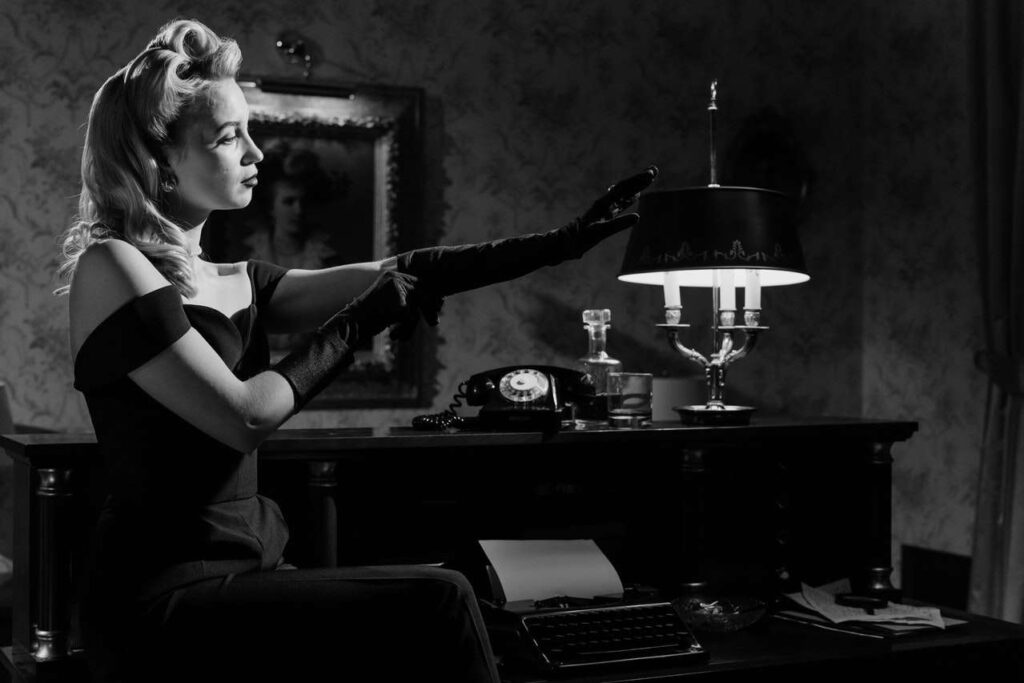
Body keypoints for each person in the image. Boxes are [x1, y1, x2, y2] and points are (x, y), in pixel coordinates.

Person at [56, 17, 656, 683]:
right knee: (441, 598)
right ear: (159, 160)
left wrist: (558, 245)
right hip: (160, 598)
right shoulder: (112, 265)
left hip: (253, 570)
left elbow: (408, 268)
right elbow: (243, 415)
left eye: (250, 131)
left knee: (441, 610)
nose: (256, 153)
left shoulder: (238, 279)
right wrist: (356, 324)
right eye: (229, 137)